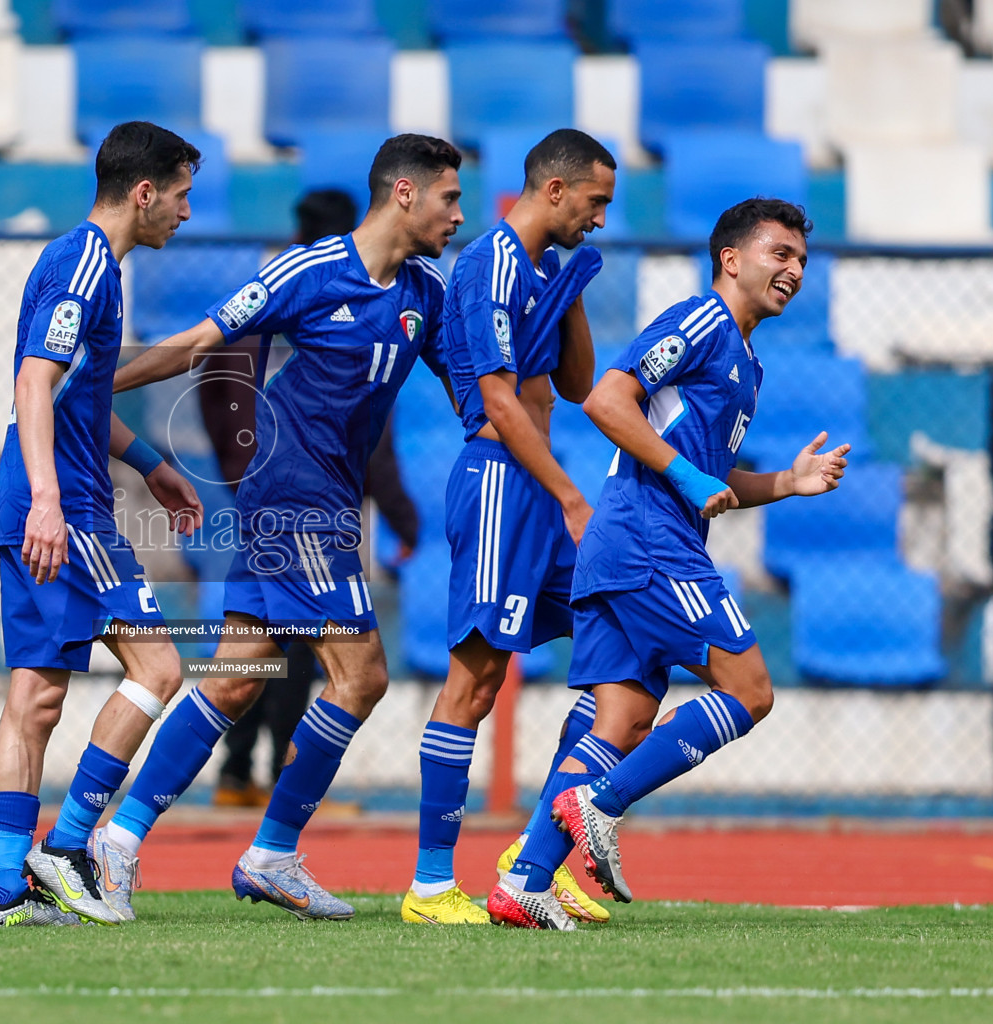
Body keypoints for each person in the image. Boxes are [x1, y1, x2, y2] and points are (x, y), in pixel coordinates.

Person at [89, 134, 465, 921]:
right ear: (404, 194)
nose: (456, 215)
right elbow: (200, 343)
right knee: (360, 676)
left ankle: (118, 840)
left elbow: (481, 390)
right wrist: (94, 389)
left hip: (315, 502)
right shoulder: (310, 270)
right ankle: (271, 851)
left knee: (233, 675)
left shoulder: (425, 293)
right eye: (449, 199)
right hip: (299, 502)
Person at [488, 197, 850, 930]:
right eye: (780, 254)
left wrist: (785, 481)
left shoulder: (746, 362)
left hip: (638, 541)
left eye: (803, 261)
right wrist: (686, 481)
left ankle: (524, 880)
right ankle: (602, 804)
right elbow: (607, 400)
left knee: (619, 720)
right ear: (731, 258)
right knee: (749, 691)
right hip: (648, 538)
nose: (794, 271)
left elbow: (711, 474)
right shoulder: (701, 321)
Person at [0, 121, 204, 927]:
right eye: (180, 196)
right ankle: (70, 845)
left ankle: (7, 891)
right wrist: (49, 499)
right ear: (144, 192)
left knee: (36, 696)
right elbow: (35, 384)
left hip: (45, 497)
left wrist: (149, 463)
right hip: (64, 508)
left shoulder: (84, 263)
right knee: (158, 669)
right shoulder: (88, 268)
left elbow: (77, 396)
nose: (185, 213)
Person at [400, 129, 617, 926]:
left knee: (613, 649)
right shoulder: (490, 262)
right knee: (475, 682)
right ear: (554, 190)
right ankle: (428, 886)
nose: (600, 219)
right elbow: (497, 400)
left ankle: (532, 855)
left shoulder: (545, 267)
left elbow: (579, 381)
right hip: (501, 484)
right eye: (595, 203)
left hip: (535, 486)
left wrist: (575, 287)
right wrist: (569, 495)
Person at [204, 187, 421, 809]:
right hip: (304, 494)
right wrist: (403, 517)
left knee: (248, 651)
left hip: (253, 492)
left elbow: (211, 386)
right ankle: (273, 781)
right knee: (307, 651)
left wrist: (242, 475)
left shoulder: (266, 291)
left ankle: (234, 773)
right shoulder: (333, 294)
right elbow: (359, 427)